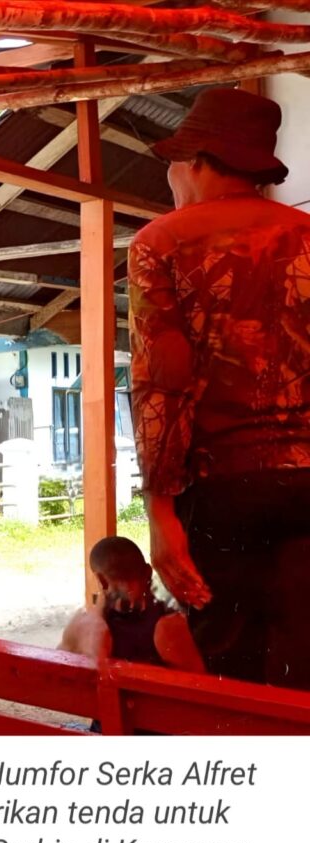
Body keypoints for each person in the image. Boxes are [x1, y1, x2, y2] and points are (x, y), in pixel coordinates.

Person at [129, 86, 310, 687]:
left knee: (233, 675)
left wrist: (159, 512)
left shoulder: (160, 242)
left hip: (220, 489)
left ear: (197, 161)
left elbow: (161, 384)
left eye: (174, 162)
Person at [59, 537, 204, 673]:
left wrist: (97, 610)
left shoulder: (84, 627)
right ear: (148, 572)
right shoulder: (169, 627)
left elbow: (57, 667)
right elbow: (199, 685)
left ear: (101, 580)